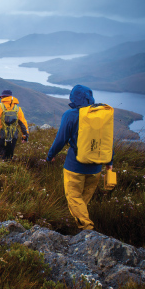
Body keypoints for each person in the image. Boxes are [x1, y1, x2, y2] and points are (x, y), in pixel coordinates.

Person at [46, 85, 113, 231]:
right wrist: (110, 162)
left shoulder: (71, 115)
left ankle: (87, 230)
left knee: (74, 199)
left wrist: (50, 156)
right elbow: (106, 140)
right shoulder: (101, 114)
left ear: (73, 97)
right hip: (96, 169)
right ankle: (79, 227)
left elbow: (60, 139)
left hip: (74, 167)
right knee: (82, 202)